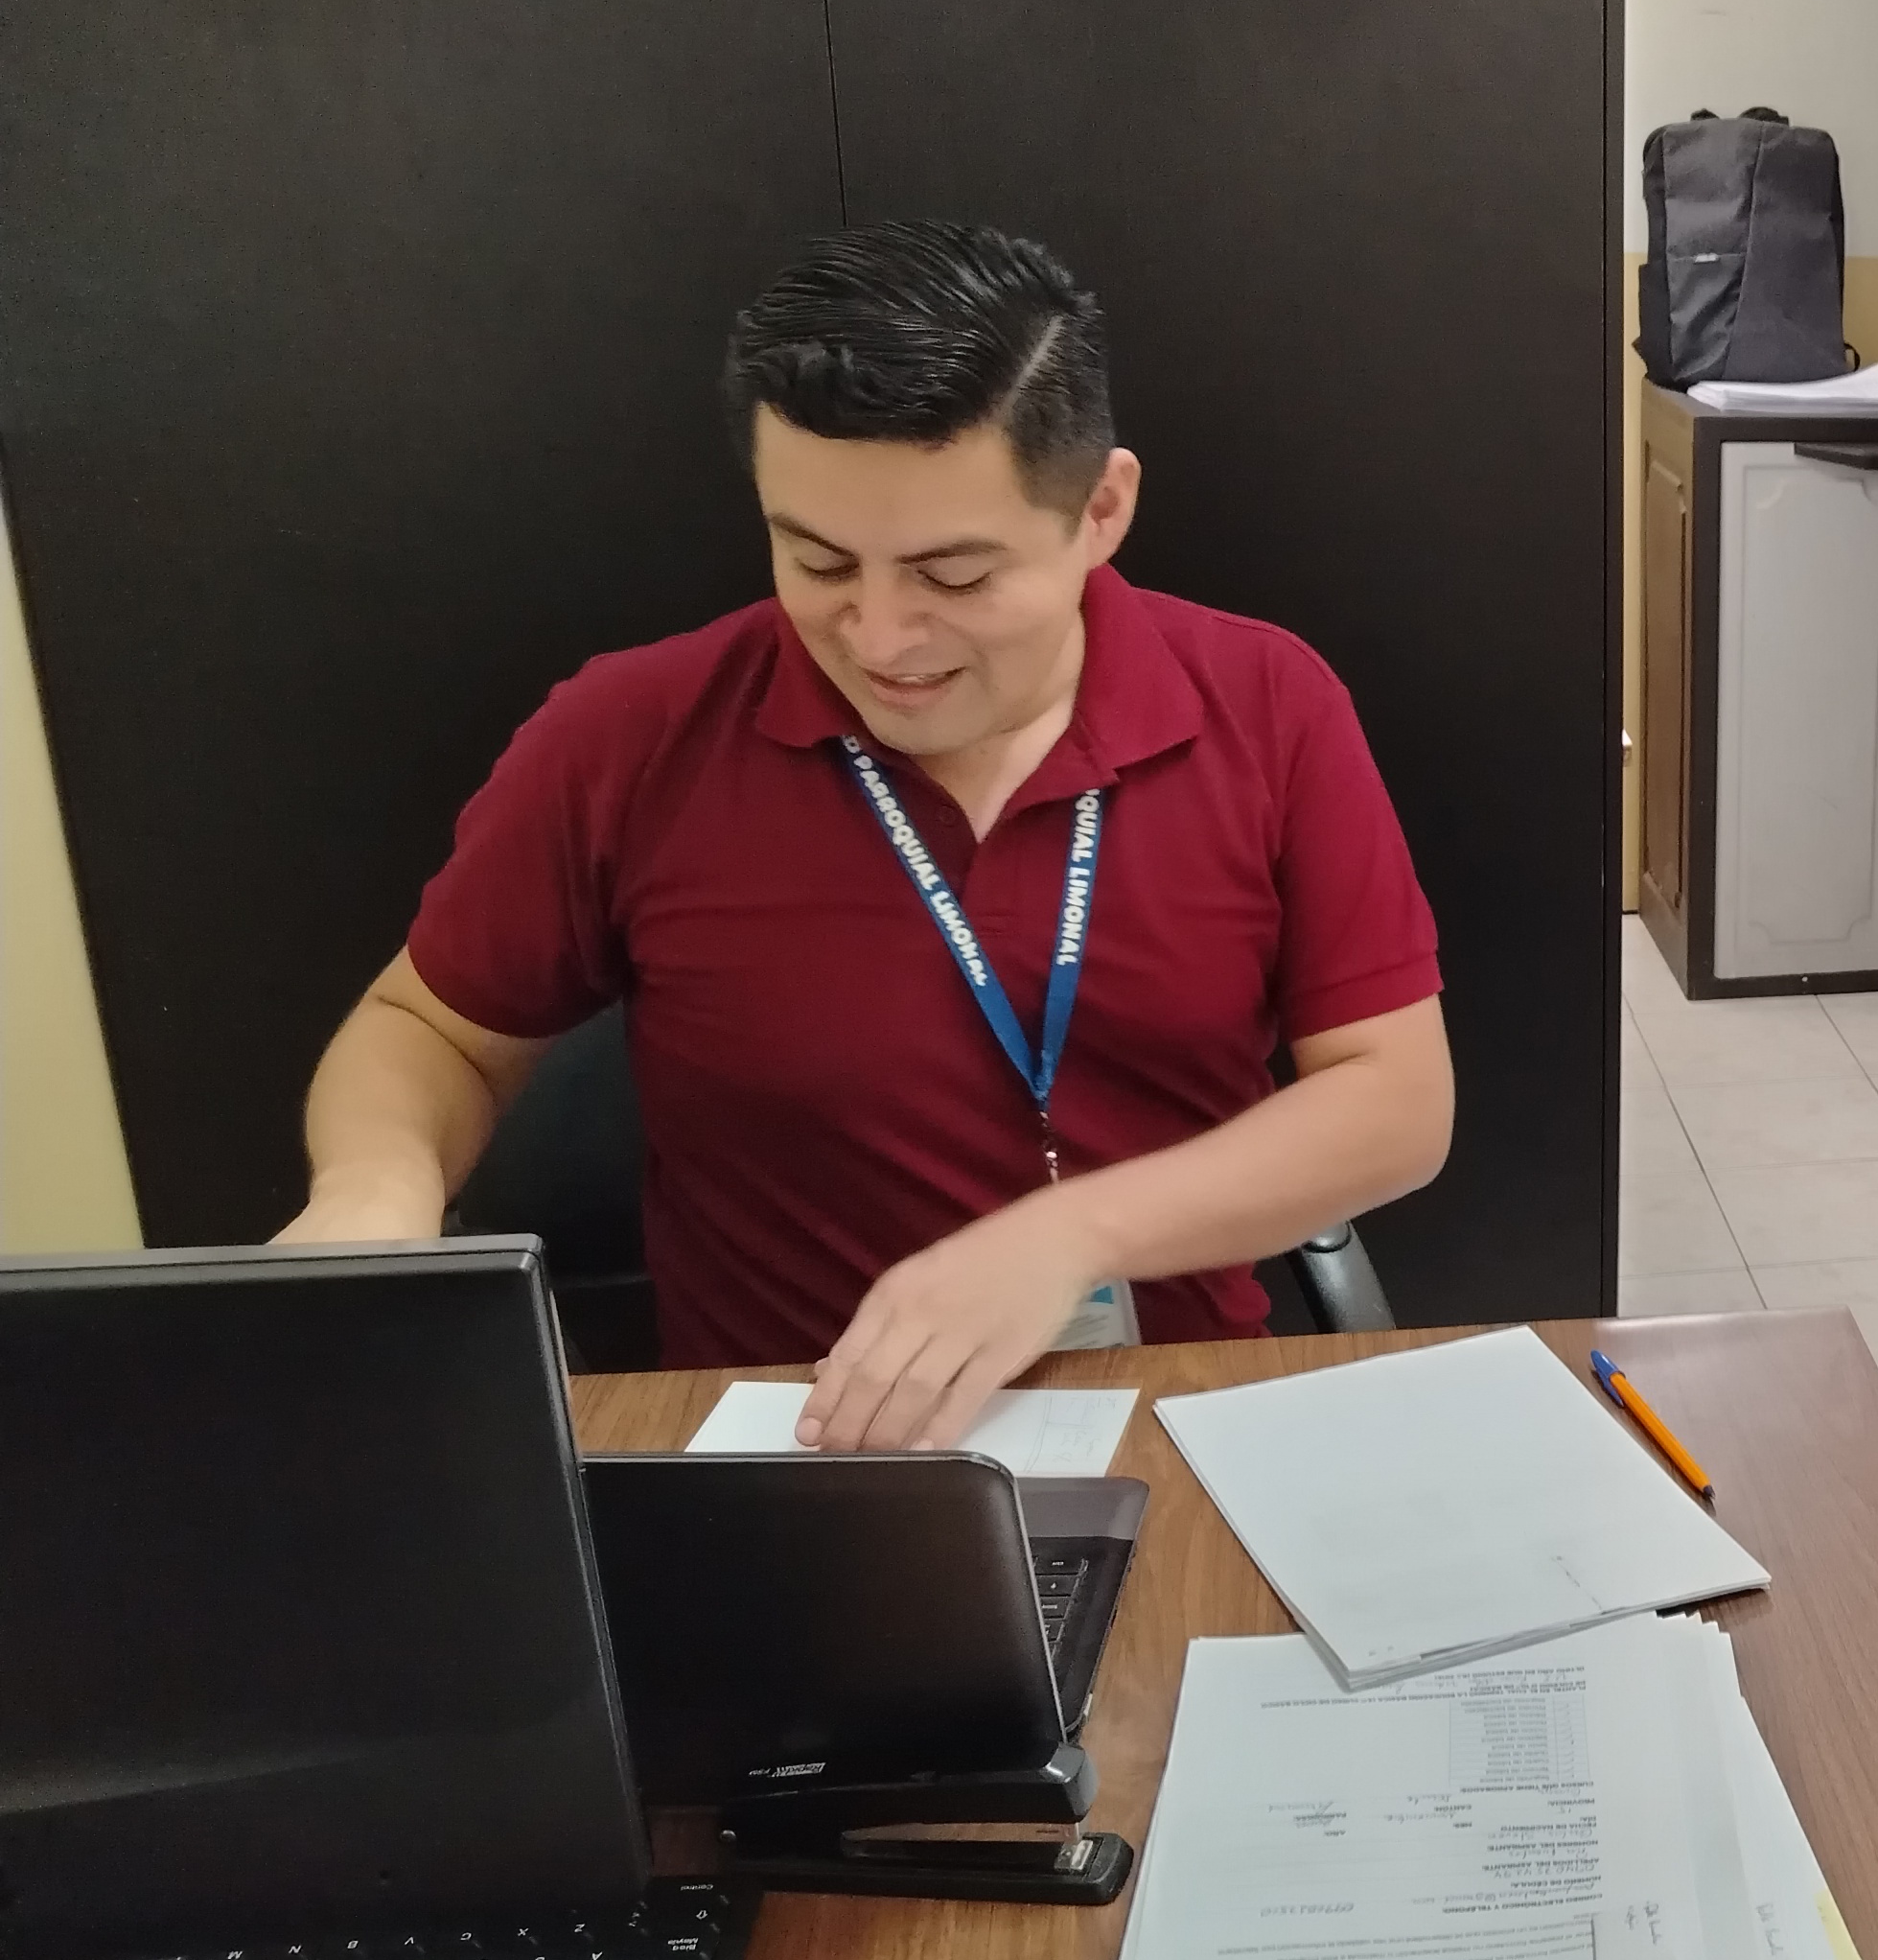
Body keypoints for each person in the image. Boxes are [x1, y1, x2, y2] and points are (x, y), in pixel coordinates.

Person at [276, 222, 1451, 1451]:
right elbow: (430, 1032)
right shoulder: (633, 735)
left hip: (1183, 1412)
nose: (880, 639)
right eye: (819, 561)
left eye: (953, 576)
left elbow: (1394, 1098)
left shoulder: (1265, 702)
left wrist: (1073, 1235)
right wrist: (374, 1191)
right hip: (797, 1441)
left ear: (1100, 509)